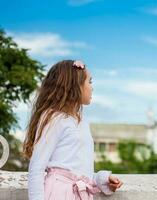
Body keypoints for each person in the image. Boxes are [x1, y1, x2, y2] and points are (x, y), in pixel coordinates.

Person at [23, 60, 123, 200]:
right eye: (90, 82)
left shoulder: (81, 122)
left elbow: (79, 171)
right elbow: (36, 168)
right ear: (74, 85)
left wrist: (103, 180)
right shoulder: (54, 118)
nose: (92, 87)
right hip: (58, 194)